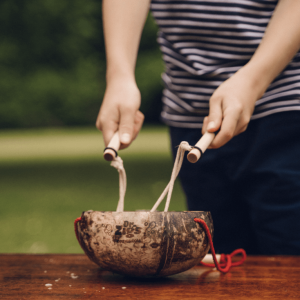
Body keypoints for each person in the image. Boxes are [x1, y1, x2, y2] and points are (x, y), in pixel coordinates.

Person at [96, 0, 300, 255]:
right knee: (217, 257)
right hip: (189, 116)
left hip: (285, 109)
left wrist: (253, 80)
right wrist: (119, 75)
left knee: (289, 258)